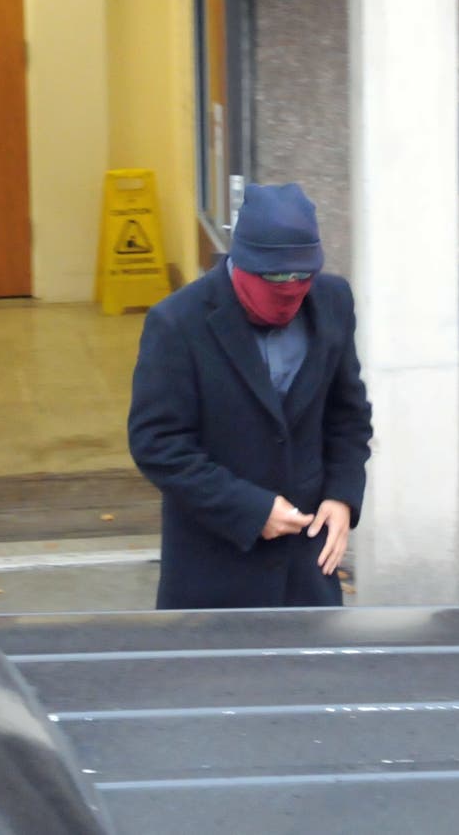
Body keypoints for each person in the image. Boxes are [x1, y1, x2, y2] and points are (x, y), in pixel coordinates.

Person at [128, 182, 372, 609]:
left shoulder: (333, 302)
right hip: (214, 573)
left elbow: (347, 415)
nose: (291, 288)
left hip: (306, 574)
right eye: (276, 278)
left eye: (302, 276)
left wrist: (342, 495)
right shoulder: (177, 323)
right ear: (241, 262)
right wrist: (250, 509)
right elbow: (158, 444)